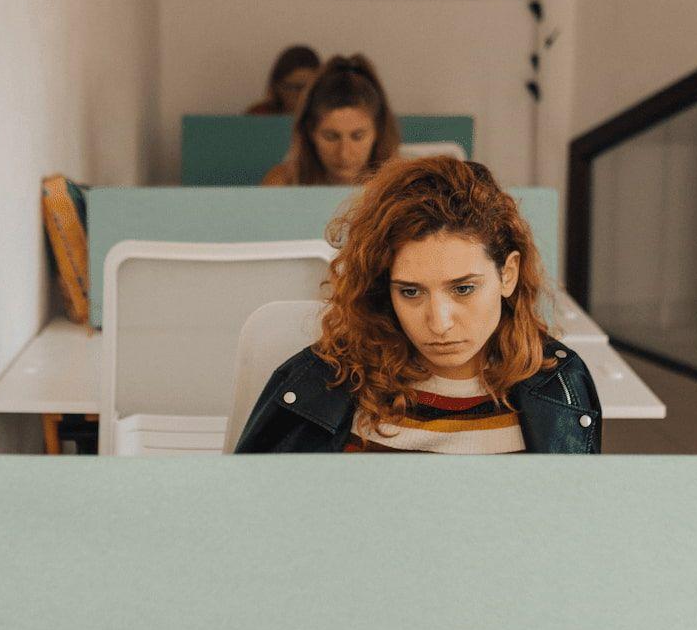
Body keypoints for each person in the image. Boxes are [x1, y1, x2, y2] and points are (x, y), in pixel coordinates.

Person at [235, 157, 602, 454]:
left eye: (463, 289)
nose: (439, 323)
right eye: (411, 292)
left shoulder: (560, 385)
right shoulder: (320, 385)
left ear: (508, 275)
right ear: (384, 289)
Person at [259, 54, 400, 186]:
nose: (344, 153)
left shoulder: (401, 185)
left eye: (358, 136)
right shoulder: (281, 183)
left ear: (378, 131)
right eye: (331, 137)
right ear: (310, 130)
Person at [245, 45, 320, 116]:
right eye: (294, 88)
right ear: (278, 87)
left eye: (309, 87)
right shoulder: (259, 115)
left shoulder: (323, 117)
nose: (302, 94)